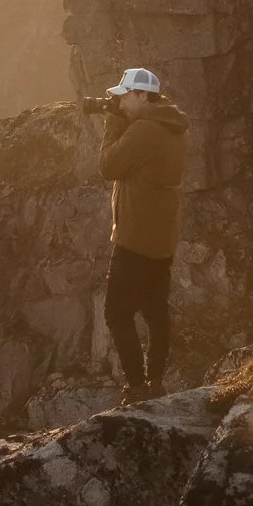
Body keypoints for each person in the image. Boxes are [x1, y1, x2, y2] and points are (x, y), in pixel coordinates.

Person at [96, 66, 189, 405]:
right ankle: (156, 381)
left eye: (124, 97)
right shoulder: (174, 126)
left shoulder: (144, 131)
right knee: (155, 312)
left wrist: (112, 125)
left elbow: (108, 166)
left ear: (141, 95)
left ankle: (136, 388)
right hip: (161, 240)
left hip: (134, 240)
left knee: (117, 314)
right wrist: (124, 121)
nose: (120, 104)